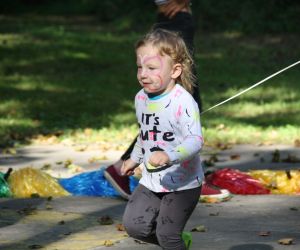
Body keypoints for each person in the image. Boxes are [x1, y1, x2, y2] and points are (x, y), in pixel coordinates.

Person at [104, 0, 230, 201]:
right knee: (181, 103)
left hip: (174, 15)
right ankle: (191, 180)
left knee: (181, 105)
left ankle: (187, 177)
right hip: (175, 14)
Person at [122, 28, 202, 249]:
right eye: (140, 67)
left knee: (167, 234)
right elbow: (145, 133)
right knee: (134, 227)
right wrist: (135, 158)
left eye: (152, 68)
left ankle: (173, 243)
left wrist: (169, 155)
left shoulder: (183, 102)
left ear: (175, 70)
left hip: (183, 183)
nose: (143, 74)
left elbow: (195, 141)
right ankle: (177, 245)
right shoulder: (141, 98)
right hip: (152, 180)